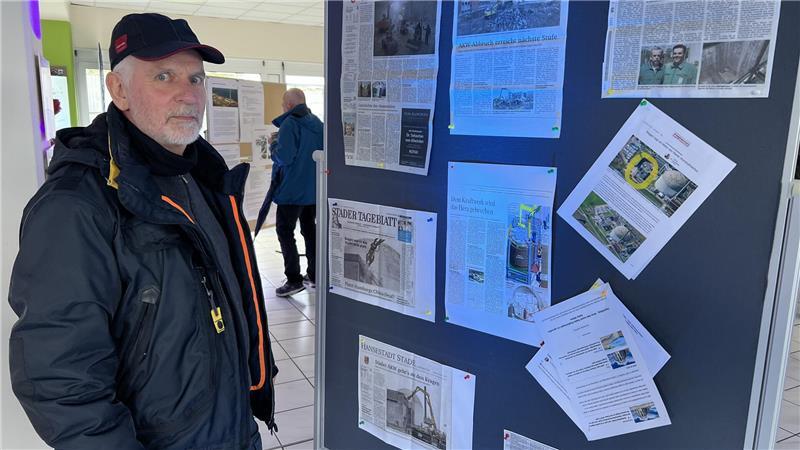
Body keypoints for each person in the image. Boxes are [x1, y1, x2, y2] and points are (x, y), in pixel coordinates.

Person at [7, 13, 277, 449]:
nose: (187, 95)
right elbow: (59, 379)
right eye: (164, 76)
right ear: (119, 90)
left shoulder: (200, 176)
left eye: (196, 79)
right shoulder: (78, 204)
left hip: (231, 430)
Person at [268, 88, 323, 297]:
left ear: (289, 105)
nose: (283, 108)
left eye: (283, 104)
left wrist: (273, 145)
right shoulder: (317, 122)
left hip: (291, 191)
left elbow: (284, 157)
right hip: (313, 191)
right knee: (310, 232)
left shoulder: (290, 123)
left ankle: (293, 279)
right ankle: (315, 275)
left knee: (285, 232)